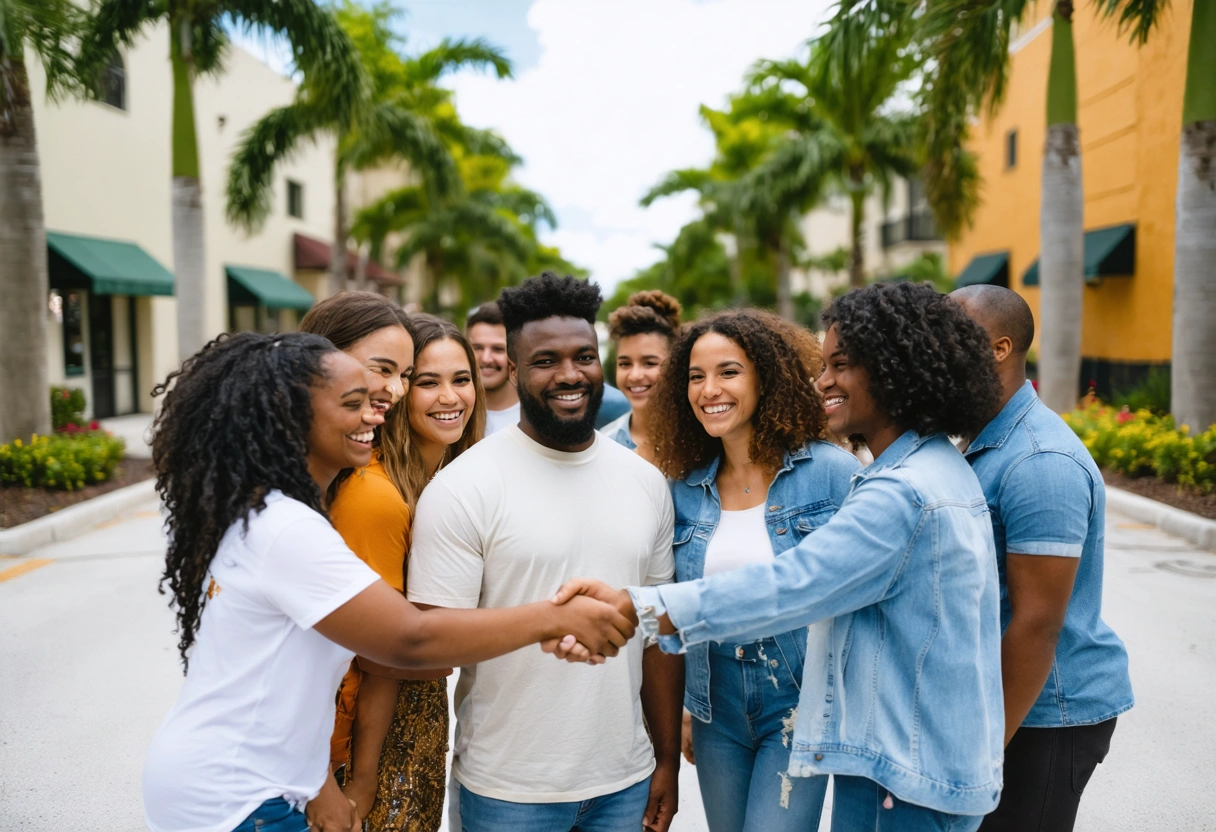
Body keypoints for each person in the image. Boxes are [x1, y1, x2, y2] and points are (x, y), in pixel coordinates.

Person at [557, 281, 1007, 831]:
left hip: (907, 770)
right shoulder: (932, 467)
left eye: (840, 365)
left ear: (891, 370)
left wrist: (640, 608)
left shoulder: (898, 491)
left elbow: (793, 584)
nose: (822, 381)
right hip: (893, 756)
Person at [142, 331, 636, 832]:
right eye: (353, 403)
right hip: (238, 796)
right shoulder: (286, 529)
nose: (376, 414)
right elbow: (409, 639)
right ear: (290, 416)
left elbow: (283, 685)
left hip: (253, 784)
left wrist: (317, 783)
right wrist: (556, 616)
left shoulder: (274, 515)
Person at [407, 272, 683, 832]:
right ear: (512, 370)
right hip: (507, 789)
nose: (569, 374)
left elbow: (660, 630)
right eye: (546, 361)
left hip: (624, 782)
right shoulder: (465, 486)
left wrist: (666, 758)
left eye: (584, 356)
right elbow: (432, 643)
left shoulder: (645, 481)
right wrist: (548, 622)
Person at [645, 307, 859, 832]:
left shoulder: (831, 474)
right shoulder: (683, 488)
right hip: (715, 701)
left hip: (796, 701)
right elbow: (674, 608)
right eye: (696, 376)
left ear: (767, 377)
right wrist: (686, 713)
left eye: (728, 372)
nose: (708, 389)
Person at [952, 285, 1133, 832]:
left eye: (949, 336)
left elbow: (1037, 624)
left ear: (999, 349)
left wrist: (982, 751)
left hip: (1045, 714)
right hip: (1011, 705)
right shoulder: (986, 439)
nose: (931, 348)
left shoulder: (1039, 461)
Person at [601, 290, 682, 451]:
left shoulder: (705, 439)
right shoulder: (606, 444)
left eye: (650, 363)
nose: (635, 375)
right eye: (625, 364)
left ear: (675, 363)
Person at [467, 302, 518, 436]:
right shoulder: (452, 414)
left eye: (498, 349)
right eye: (477, 347)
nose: (486, 359)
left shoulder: (533, 417)